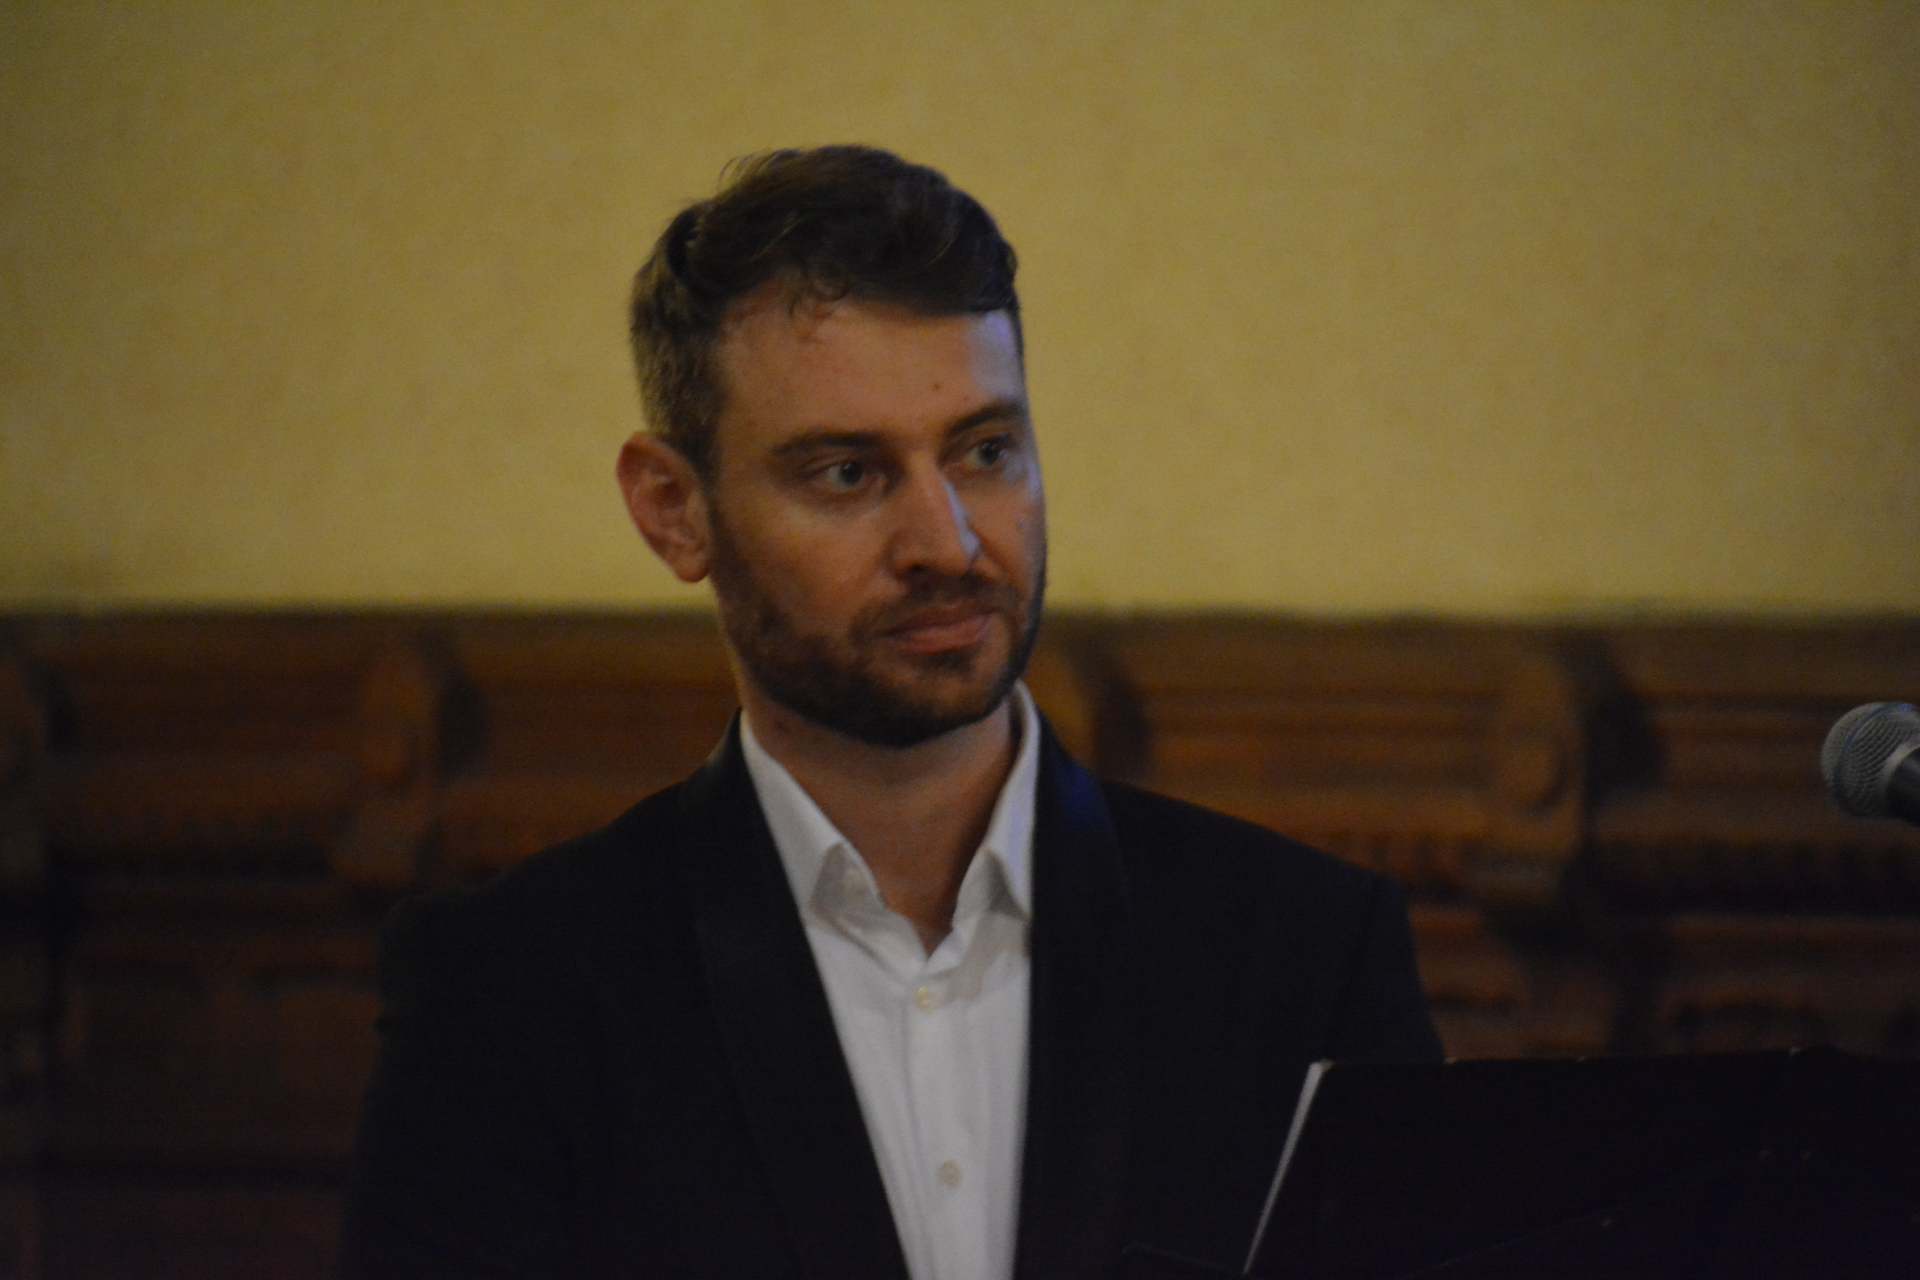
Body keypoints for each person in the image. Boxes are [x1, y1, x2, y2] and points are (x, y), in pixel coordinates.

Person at [341, 146, 1440, 1279]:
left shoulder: (1304, 952)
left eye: (985, 452)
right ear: (674, 509)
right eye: (848, 474)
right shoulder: (506, 994)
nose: (947, 543)